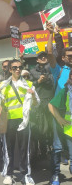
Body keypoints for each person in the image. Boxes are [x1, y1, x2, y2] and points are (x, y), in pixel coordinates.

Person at [0, 59, 39, 185]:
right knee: (8, 148)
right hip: (9, 120)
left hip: (24, 121)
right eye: (14, 67)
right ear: (10, 69)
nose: (17, 69)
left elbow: (37, 103)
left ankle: (25, 174)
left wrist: (32, 95)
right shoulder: (3, 84)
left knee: (24, 149)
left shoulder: (29, 84)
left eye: (20, 67)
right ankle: (9, 174)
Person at [46, 21, 72, 184]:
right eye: (69, 56)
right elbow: (49, 53)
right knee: (56, 147)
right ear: (63, 58)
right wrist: (50, 34)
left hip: (70, 117)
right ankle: (55, 174)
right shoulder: (61, 70)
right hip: (57, 115)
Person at [29, 51, 54, 164]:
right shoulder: (32, 71)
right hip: (38, 105)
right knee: (39, 130)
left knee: (50, 129)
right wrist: (38, 81)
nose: (43, 58)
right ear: (37, 60)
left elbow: (54, 84)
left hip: (50, 103)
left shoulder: (52, 69)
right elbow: (29, 86)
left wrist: (47, 79)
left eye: (45, 56)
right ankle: (39, 153)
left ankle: (50, 151)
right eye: (40, 57)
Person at [48, 70, 72, 179]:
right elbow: (51, 105)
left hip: (70, 129)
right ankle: (55, 175)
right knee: (57, 149)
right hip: (60, 124)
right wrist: (59, 118)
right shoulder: (65, 91)